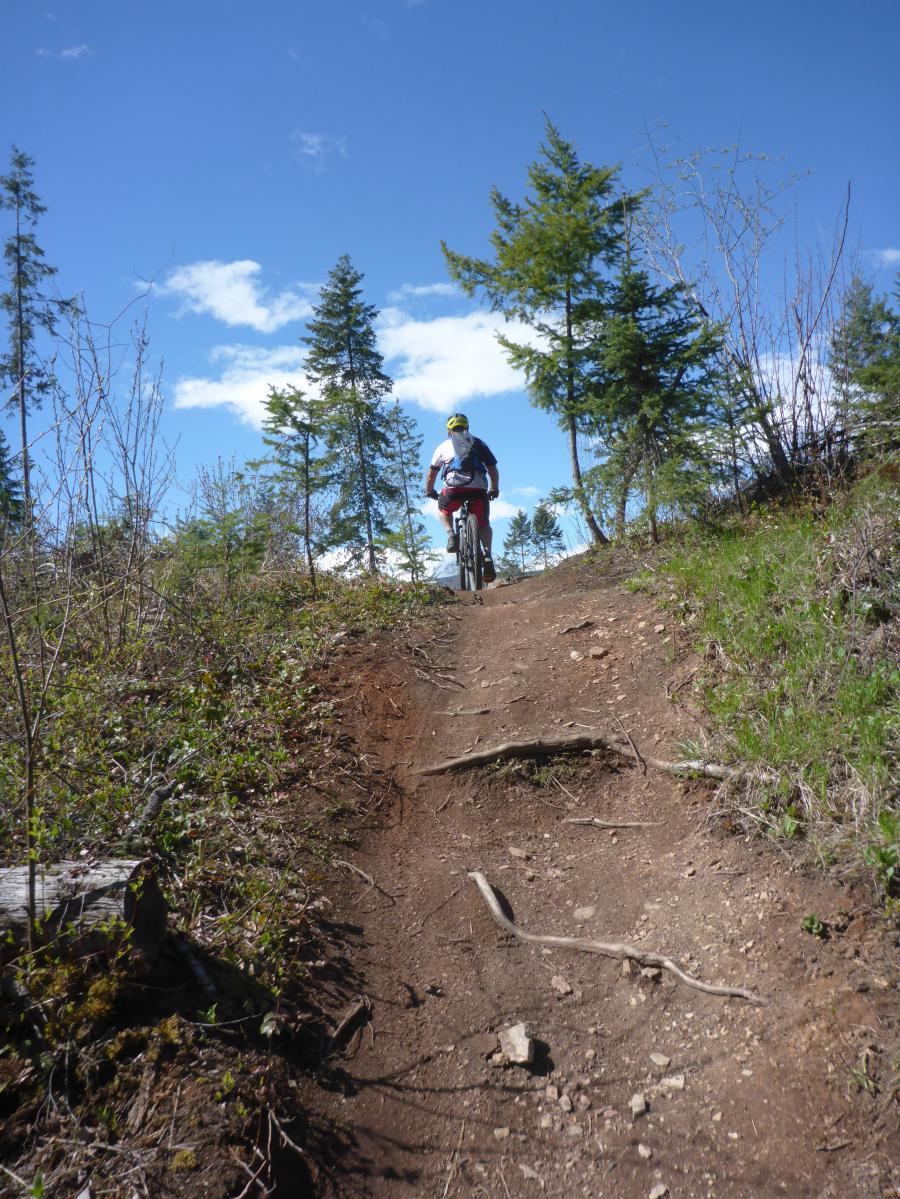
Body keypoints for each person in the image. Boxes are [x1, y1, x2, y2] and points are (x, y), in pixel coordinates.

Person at [425, 412, 499, 584]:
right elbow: (493, 470)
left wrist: (430, 491)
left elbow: (431, 474)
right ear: (467, 428)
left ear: (449, 431)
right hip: (478, 489)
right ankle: (487, 556)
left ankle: (451, 535)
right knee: (483, 524)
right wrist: (494, 488)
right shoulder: (478, 443)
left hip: (454, 490)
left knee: (443, 510)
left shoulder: (443, 446)